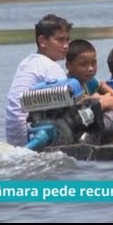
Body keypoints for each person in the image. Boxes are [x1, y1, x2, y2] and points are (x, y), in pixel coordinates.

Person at [5, 14, 72, 147]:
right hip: (31, 136)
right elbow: (71, 107)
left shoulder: (27, 62)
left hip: (13, 135)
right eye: (60, 40)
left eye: (67, 40)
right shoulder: (50, 67)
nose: (66, 46)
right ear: (42, 41)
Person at [66, 39, 113, 144]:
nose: (90, 68)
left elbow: (101, 84)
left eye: (93, 63)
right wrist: (101, 99)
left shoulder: (89, 82)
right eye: (83, 64)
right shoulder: (69, 86)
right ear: (68, 66)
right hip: (79, 127)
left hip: (91, 120)